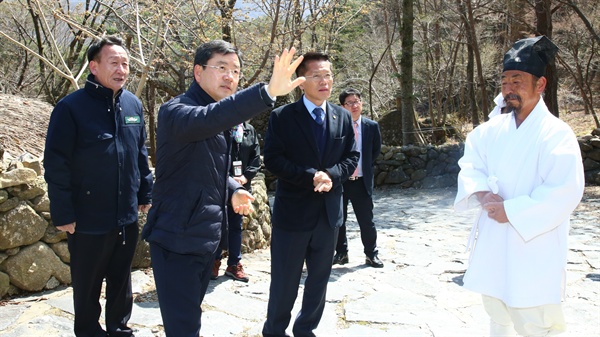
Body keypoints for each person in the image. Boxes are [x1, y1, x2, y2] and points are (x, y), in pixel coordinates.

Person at [141, 40, 304, 337]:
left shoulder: (215, 116)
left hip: (205, 237)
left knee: (190, 319)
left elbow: (203, 167)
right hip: (177, 238)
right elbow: (207, 121)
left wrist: (232, 188)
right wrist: (267, 92)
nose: (230, 76)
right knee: (184, 327)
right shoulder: (177, 111)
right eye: (222, 68)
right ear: (198, 72)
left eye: (236, 71)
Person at [454, 35, 585, 336]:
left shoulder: (556, 134)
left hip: (533, 241)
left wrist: (511, 210)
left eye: (517, 80)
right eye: (504, 81)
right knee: (497, 311)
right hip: (495, 236)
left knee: (534, 317)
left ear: (540, 85)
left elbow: (564, 189)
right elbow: (470, 165)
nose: (509, 89)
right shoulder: (489, 131)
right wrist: (484, 194)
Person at [44, 35, 153, 337]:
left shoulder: (133, 103)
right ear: (93, 66)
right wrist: (63, 212)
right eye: (113, 62)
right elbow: (56, 163)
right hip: (88, 215)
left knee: (122, 279)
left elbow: (139, 153)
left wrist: (145, 191)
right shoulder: (70, 108)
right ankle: (89, 331)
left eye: (125, 63)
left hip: (126, 214)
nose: (121, 69)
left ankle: (119, 328)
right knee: (88, 283)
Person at [262, 52, 359, 337]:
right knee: (284, 281)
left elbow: (352, 156)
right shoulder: (282, 117)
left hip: (328, 215)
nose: (324, 81)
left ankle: (306, 329)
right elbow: (273, 159)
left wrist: (331, 175)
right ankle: (275, 331)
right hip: (292, 215)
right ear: (301, 82)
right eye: (316, 75)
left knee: (319, 280)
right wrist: (310, 176)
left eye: (328, 74)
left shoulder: (342, 116)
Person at [333, 88, 383, 268]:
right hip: (341, 181)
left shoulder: (371, 126)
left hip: (362, 181)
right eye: (349, 103)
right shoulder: (336, 125)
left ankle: (371, 254)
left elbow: (375, 151)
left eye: (356, 101)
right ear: (342, 106)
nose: (354, 106)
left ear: (361, 103)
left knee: (366, 221)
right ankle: (341, 253)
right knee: (339, 220)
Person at [212, 120, 261, 282]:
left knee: (236, 225)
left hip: (242, 187)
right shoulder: (219, 126)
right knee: (219, 224)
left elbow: (255, 158)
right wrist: (230, 180)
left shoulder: (249, 130)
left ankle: (234, 264)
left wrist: (245, 177)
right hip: (220, 185)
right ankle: (214, 261)